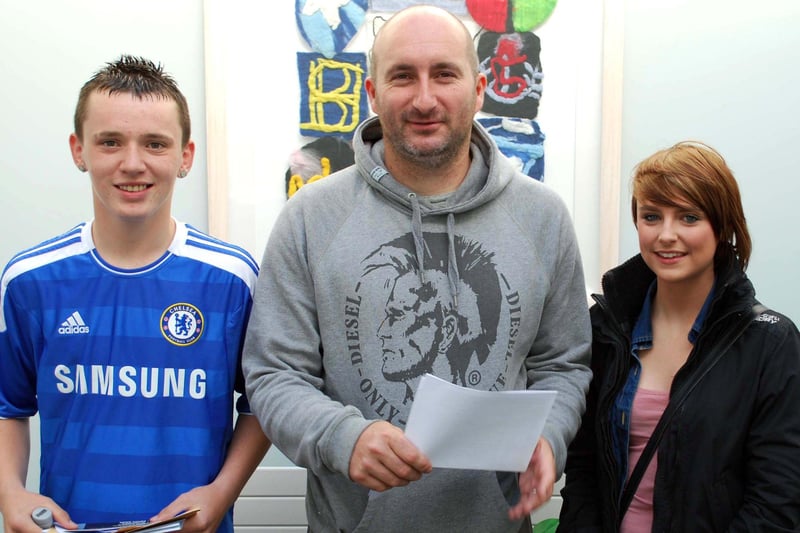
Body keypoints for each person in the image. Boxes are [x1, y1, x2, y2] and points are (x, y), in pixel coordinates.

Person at [242, 5, 592, 532]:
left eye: (444, 74)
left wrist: (550, 435)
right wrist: (345, 437)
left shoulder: (543, 217)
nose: (424, 99)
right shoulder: (309, 218)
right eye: (403, 76)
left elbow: (563, 364)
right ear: (372, 93)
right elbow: (273, 374)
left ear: (478, 91)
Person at [0, 55, 270, 533]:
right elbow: (8, 406)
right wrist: (11, 495)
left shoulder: (232, 279)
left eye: (154, 144)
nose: (132, 163)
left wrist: (221, 492)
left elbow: (262, 404)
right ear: (78, 150)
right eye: (110, 142)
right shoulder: (30, 279)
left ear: (185, 156)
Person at [558, 141, 800, 531]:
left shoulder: (769, 342)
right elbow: (583, 470)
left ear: (723, 226)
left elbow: (777, 502)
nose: (666, 235)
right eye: (652, 216)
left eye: (689, 217)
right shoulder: (606, 327)